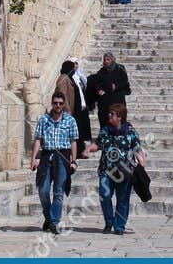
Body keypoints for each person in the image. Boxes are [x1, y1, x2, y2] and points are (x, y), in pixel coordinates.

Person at [84, 101, 145, 235]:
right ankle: (109, 222)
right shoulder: (105, 130)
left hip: (124, 171)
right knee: (104, 196)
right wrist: (89, 149)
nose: (109, 116)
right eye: (109, 113)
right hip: (106, 170)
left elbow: (138, 148)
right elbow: (98, 145)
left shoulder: (130, 131)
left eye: (112, 114)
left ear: (120, 117)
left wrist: (141, 160)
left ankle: (119, 226)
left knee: (122, 199)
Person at [30, 91, 79, 234]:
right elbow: (38, 139)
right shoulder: (44, 119)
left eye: (60, 103)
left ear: (64, 104)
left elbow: (73, 141)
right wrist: (33, 158)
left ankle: (54, 222)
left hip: (62, 156)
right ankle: (49, 217)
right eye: (55, 103)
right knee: (43, 190)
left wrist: (74, 161)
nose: (58, 105)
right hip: (47, 156)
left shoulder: (70, 120)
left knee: (58, 192)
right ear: (52, 103)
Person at [85, 50, 132, 129]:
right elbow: (97, 83)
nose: (106, 62)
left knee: (119, 117)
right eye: (105, 60)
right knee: (105, 119)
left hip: (118, 99)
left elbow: (125, 82)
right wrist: (99, 90)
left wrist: (116, 86)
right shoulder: (102, 71)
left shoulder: (120, 68)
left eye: (108, 59)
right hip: (106, 101)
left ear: (112, 60)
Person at [56, 60, 88, 156]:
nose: (74, 69)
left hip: (75, 110)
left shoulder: (69, 78)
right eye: (72, 67)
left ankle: (78, 151)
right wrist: (67, 110)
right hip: (68, 110)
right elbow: (63, 96)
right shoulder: (63, 78)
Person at [70, 57, 92, 156]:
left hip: (83, 107)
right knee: (77, 130)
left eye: (76, 63)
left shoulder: (80, 76)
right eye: (73, 63)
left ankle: (84, 149)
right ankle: (79, 151)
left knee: (84, 129)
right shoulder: (71, 77)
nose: (75, 65)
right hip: (76, 108)